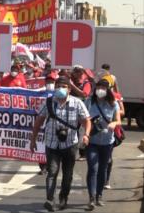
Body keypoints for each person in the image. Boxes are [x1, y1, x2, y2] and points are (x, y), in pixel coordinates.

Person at [30, 76, 91, 211]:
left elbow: (86, 120)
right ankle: (50, 200)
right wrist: (33, 139)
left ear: (69, 89)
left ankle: (63, 199)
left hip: (70, 144)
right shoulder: (49, 102)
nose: (60, 89)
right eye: (58, 86)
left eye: (63, 86)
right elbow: (38, 122)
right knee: (52, 172)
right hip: (52, 144)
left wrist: (86, 134)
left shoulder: (77, 103)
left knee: (67, 174)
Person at [85, 79, 121, 210]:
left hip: (107, 142)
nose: (100, 89)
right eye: (98, 87)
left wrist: (113, 123)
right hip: (92, 141)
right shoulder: (89, 102)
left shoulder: (113, 103)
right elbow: (83, 118)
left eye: (103, 87)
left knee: (102, 170)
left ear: (108, 90)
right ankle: (91, 198)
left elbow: (119, 120)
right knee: (93, 168)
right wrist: (88, 127)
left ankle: (99, 195)